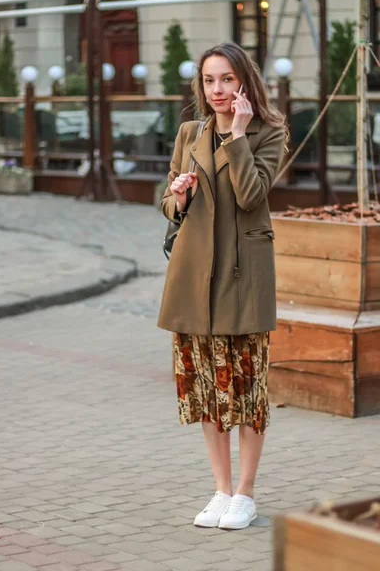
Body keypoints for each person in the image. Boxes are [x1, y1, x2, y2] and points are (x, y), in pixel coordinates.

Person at [158, 42, 287, 530]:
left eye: (228, 79)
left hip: (242, 277)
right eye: (210, 80)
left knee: (248, 388)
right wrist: (177, 196)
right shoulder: (190, 131)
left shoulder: (269, 132)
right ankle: (221, 488)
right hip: (194, 277)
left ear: (245, 82)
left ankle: (246, 494)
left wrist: (235, 135)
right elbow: (168, 202)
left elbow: (253, 195)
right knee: (207, 389)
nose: (218, 90)